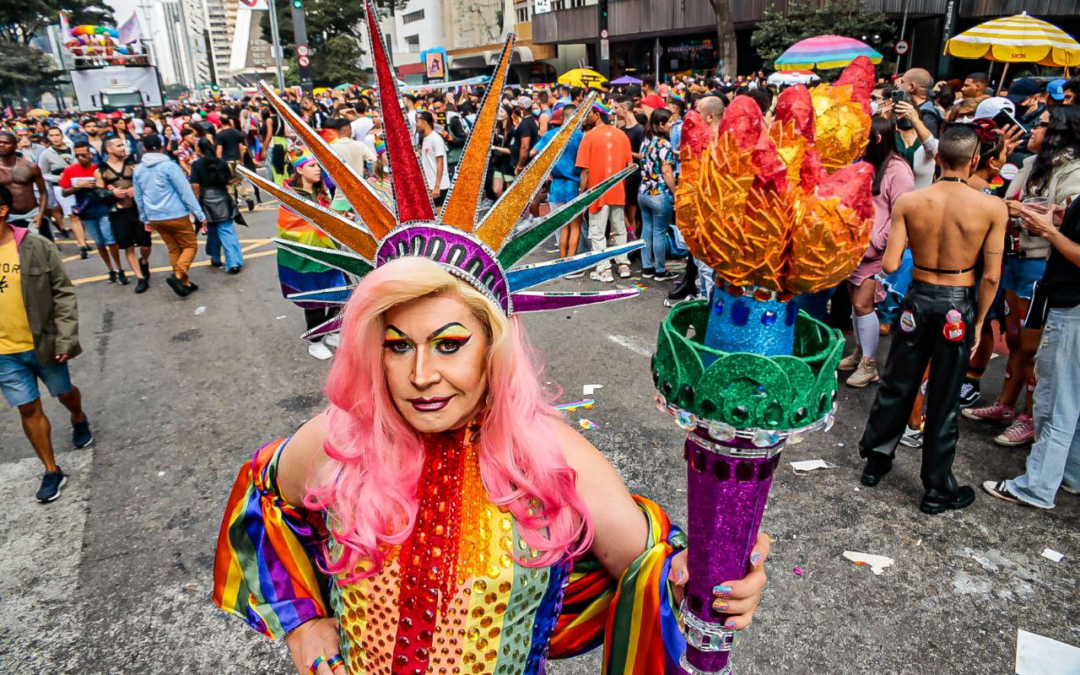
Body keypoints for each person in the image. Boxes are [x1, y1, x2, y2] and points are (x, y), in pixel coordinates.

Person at [857, 125, 1007, 514]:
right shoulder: (992, 207)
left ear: (937, 159)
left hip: (917, 299)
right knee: (944, 395)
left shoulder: (911, 201)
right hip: (957, 301)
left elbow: (890, 264)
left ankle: (875, 462)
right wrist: (977, 326)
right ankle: (936, 488)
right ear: (975, 161)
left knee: (898, 382)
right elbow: (991, 276)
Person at [963, 105, 1080, 446]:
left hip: (1039, 263)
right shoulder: (1030, 164)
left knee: (1031, 345)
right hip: (1014, 259)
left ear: (1059, 132)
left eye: (1041, 125)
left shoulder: (1074, 171)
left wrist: (1021, 209)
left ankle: (1029, 418)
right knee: (1014, 340)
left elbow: (1065, 218)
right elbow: (1010, 201)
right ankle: (1004, 406)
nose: (1032, 130)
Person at [983, 195, 1080, 508]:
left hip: (1073, 308)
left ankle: (1035, 488)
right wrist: (1062, 220)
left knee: (1054, 403)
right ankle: (1070, 474)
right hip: (1070, 303)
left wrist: (1049, 232)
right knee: (1072, 401)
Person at [0, 185, 92, 503]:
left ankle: (78, 417)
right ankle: (52, 470)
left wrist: (66, 337)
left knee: (64, 393)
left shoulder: (34, 245)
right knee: (28, 407)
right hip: (4, 353)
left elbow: (63, 292)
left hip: (44, 343)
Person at [840, 117, 914, 388]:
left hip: (875, 253)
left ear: (878, 139)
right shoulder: (864, 163)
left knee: (864, 304)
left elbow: (899, 216)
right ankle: (860, 352)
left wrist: (875, 245)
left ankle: (869, 363)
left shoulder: (899, 171)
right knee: (856, 303)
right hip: (854, 249)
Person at [275, 152, 345, 361]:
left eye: (318, 166)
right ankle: (315, 341)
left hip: (329, 254)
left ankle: (330, 330)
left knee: (338, 296)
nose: (317, 170)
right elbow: (289, 229)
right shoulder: (291, 197)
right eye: (312, 165)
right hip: (306, 259)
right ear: (299, 169)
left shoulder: (320, 191)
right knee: (314, 301)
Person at [133, 133, 207, 297]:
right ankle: (179, 275)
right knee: (190, 246)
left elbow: (139, 197)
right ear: (161, 147)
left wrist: (145, 218)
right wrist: (200, 214)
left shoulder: (138, 170)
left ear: (144, 149)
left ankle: (184, 283)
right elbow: (185, 191)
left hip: (155, 216)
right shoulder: (170, 166)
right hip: (176, 214)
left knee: (174, 249)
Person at [576, 101, 633, 282]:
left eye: (588, 114)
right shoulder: (622, 135)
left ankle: (604, 269)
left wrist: (581, 191)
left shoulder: (590, 136)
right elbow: (629, 165)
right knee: (619, 228)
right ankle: (623, 265)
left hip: (597, 191)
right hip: (617, 190)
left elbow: (584, 169)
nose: (587, 118)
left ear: (596, 114)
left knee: (597, 231)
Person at [60, 141, 127, 284]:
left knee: (111, 241)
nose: (80, 158)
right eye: (77, 155)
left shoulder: (100, 169)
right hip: (86, 213)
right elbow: (64, 192)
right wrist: (78, 186)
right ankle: (110, 270)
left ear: (91, 154)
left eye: (83, 155)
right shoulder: (70, 170)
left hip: (104, 210)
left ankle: (120, 269)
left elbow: (113, 185)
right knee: (99, 243)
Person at [98, 136, 151, 293]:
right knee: (128, 247)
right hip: (119, 213)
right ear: (109, 149)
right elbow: (98, 192)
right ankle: (140, 278)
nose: (123, 148)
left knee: (146, 245)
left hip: (137, 210)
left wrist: (136, 189)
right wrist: (111, 192)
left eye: (123, 145)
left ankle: (144, 261)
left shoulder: (133, 166)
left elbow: (145, 183)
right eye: (119, 145)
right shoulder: (101, 170)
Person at [535, 103, 583, 267]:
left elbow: (534, 153)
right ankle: (571, 263)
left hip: (556, 186)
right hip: (574, 186)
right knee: (575, 226)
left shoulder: (550, 135)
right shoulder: (579, 136)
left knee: (563, 226)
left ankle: (561, 261)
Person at [190, 138, 244, 274]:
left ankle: (215, 257)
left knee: (212, 231)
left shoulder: (196, 164)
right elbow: (229, 181)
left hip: (206, 200)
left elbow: (195, 185)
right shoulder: (221, 162)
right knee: (227, 231)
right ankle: (233, 263)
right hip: (223, 198)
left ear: (199, 150)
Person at [638, 107, 678, 282]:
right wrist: (676, 192)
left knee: (646, 230)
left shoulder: (646, 141)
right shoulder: (664, 144)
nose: (672, 124)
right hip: (660, 193)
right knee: (659, 232)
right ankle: (660, 271)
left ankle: (647, 267)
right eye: (669, 122)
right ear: (661, 124)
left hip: (643, 192)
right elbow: (667, 171)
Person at [37, 127, 90, 256]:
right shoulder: (46, 154)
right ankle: (82, 244)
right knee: (73, 215)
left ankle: (83, 240)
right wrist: (58, 178)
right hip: (61, 187)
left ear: (62, 136)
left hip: (81, 184)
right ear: (48, 137)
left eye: (57, 135)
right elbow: (42, 173)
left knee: (81, 214)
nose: (55, 138)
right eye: (52, 135)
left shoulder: (72, 147)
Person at [0, 132, 48, 238]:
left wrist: (40, 214)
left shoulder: (31, 167)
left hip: (31, 215)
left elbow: (43, 192)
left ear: (16, 146)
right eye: (0, 142)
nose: (1, 145)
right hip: (6, 217)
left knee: (41, 249)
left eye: (6, 143)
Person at [615, 97, 644, 242]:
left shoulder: (639, 130)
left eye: (618, 108)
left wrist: (626, 152)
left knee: (630, 214)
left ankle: (632, 244)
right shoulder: (621, 129)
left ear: (625, 109)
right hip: (623, 175)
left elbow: (643, 154)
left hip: (635, 175)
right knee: (621, 212)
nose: (616, 111)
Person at [215, 116, 255, 211]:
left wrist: (218, 162)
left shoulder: (220, 135)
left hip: (226, 161)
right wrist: (241, 160)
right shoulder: (236, 133)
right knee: (237, 181)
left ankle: (233, 202)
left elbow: (219, 150)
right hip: (236, 160)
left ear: (220, 122)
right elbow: (241, 147)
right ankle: (247, 198)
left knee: (229, 183)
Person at [896, 68, 943, 138]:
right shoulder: (909, 106)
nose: (898, 86)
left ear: (912, 87)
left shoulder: (928, 115)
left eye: (902, 82)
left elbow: (930, 144)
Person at [417, 111, 450, 207]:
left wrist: (437, 186)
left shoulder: (435, 139)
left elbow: (440, 163)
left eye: (418, 121)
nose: (417, 124)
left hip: (439, 186)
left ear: (424, 122)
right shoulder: (425, 138)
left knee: (438, 217)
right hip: (430, 184)